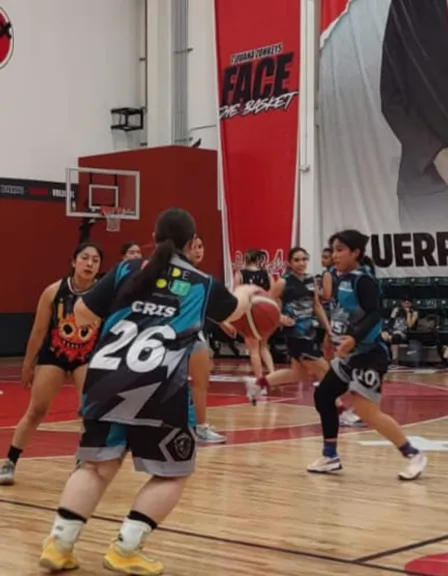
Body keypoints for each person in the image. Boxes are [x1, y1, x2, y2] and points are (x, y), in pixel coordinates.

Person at [38, 208, 257, 575]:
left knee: (95, 468)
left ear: (154, 237)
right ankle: (126, 548)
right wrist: (249, 291)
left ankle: (59, 545)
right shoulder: (201, 282)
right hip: (159, 387)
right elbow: (236, 310)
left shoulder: (126, 270)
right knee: (172, 473)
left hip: (105, 379)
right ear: (191, 242)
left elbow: (81, 311)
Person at [306, 229, 427, 480]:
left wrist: (353, 338)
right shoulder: (339, 278)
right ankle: (330, 455)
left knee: (367, 413)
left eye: (340, 250)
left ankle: (413, 454)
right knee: (323, 395)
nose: (334, 255)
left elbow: (374, 314)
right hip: (350, 355)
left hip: (369, 354)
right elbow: (343, 314)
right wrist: (331, 336)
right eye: (333, 250)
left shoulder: (364, 279)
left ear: (355, 252)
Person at [0, 243, 103, 485]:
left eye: (95, 260)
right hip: (55, 353)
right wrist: (27, 364)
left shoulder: (103, 293)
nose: (89, 264)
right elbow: (38, 331)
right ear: (73, 261)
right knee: (36, 410)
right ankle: (10, 461)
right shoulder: (53, 291)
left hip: (87, 356)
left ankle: (82, 460)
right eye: (85, 258)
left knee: (89, 410)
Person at [246, 247, 330, 403]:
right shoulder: (284, 282)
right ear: (289, 263)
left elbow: (317, 307)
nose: (301, 263)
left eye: (304, 259)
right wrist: (280, 317)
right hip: (295, 334)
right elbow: (267, 304)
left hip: (310, 331)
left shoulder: (311, 280)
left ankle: (258, 384)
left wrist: (328, 329)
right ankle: (339, 410)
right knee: (325, 369)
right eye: (297, 260)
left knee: (298, 374)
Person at [189, 235, 228, 443]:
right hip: (168, 335)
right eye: (194, 247)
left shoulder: (204, 279)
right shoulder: (173, 275)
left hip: (195, 333)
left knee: (201, 380)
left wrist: (223, 322)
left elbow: (206, 308)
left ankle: (200, 427)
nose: (198, 251)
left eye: (201, 246)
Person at [234, 249, 275, 380]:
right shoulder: (267, 274)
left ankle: (260, 380)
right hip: (265, 313)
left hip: (248, 313)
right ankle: (272, 374)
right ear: (259, 260)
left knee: (253, 351)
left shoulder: (240, 274)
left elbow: (237, 296)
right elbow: (273, 295)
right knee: (264, 347)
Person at [381, 296, 419, 365]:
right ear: (402, 303)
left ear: (411, 304)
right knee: (381, 336)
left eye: (408, 302)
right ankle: (385, 358)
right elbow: (390, 323)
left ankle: (395, 360)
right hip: (393, 331)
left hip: (404, 333)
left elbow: (409, 326)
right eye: (405, 302)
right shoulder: (397, 310)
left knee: (396, 337)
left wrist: (408, 314)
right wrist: (387, 332)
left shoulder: (414, 313)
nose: (406, 304)